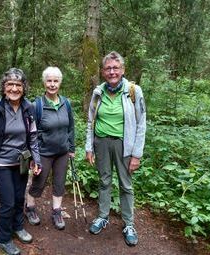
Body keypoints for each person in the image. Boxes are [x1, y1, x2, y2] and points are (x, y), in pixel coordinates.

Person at [0, 68, 41, 255]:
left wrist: (36, 159)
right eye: (10, 85)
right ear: (4, 88)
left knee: (20, 198)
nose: (14, 88)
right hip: (0, 163)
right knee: (8, 202)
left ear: (24, 88)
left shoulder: (28, 108)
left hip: (22, 160)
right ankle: (2, 239)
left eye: (18, 85)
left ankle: (18, 227)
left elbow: (33, 137)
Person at [85, 51, 146, 246]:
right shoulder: (98, 92)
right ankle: (103, 216)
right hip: (101, 142)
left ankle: (128, 223)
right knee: (104, 181)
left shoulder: (134, 91)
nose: (112, 72)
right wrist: (89, 147)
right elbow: (90, 121)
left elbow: (141, 124)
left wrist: (136, 154)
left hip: (124, 144)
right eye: (108, 68)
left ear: (123, 70)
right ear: (103, 72)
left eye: (116, 68)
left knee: (125, 184)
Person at [25, 66, 75, 230]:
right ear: (44, 82)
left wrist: (71, 148)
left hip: (62, 152)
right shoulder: (36, 105)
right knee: (39, 182)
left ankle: (56, 211)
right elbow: (30, 133)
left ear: (60, 83)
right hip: (43, 153)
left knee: (59, 183)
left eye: (55, 81)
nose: (52, 84)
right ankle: (30, 207)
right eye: (49, 81)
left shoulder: (66, 103)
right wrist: (33, 157)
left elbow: (71, 128)